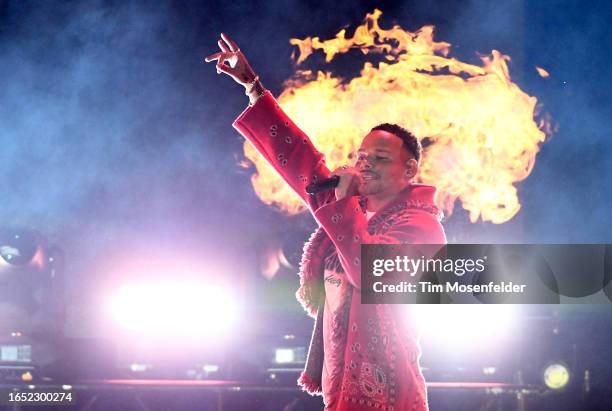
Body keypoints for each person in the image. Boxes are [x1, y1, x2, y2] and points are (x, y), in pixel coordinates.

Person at [206, 33, 446, 411]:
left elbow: (368, 270)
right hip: (340, 397)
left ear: (410, 168)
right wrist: (253, 88)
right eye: (361, 155)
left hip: (391, 400)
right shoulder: (347, 209)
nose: (364, 163)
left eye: (379, 157)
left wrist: (344, 202)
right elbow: (301, 159)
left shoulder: (422, 227)